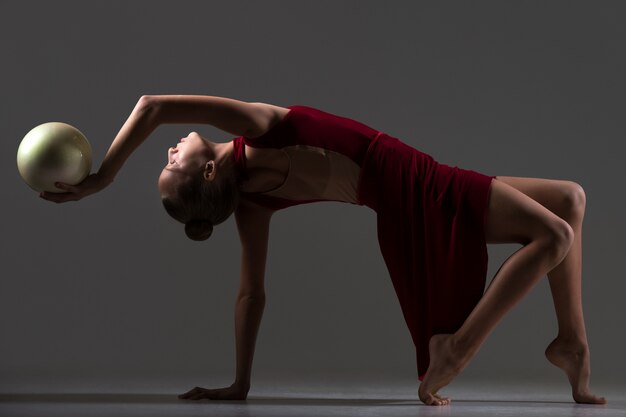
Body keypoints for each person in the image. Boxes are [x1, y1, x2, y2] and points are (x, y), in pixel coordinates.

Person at [40, 95, 607, 406]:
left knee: (569, 201)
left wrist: (240, 384)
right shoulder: (262, 127)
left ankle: (571, 343)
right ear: (206, 167)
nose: (167, 152)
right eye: (170, 165)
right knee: (555, 235)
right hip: (417, 188)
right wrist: (101, 179)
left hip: (412, 190)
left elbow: (251, 294)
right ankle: (457, 347)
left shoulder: (253, 200)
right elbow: (153, 105)